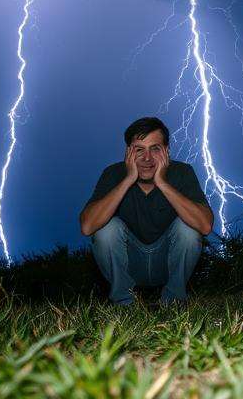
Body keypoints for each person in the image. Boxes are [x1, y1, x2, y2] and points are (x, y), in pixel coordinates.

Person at [79, 116, 213, 305]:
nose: (147, 158)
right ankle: (124, 303)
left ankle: (173, 302)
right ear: (128, 153)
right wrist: (128, 180)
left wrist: (162, 183)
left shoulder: (182, 172)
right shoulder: (113, 173)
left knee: (188, 229)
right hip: (131, 262)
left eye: (155, 149)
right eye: (139, 150)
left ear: (166, 151)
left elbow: (205, 226)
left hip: (166, 261)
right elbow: (87, 226)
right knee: (106, 230)